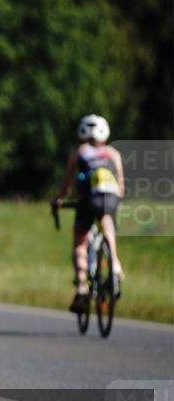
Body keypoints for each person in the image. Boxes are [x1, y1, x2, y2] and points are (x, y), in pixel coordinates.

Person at [52, 115, 124, 314]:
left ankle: (82, 287)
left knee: (80, 243)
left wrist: (58, 199)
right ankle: (115, 264)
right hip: (110, 199)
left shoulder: (80, 152)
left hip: (88, 200)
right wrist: (118, 204)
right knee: (107, 223)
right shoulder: (113, 153)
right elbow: (120, 185)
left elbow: (66, 185)